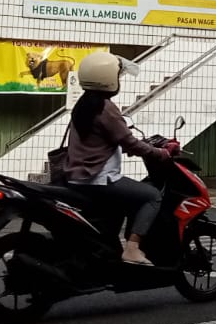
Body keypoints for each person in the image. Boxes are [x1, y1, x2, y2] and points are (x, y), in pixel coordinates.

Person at [64, 52, 176, 264]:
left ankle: (108, 250)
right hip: (99, 179)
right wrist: (161, 153)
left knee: (123, 204)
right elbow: (128, 141)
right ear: (107, 79)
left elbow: (102, 141)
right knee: (152, 196)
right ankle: (132, 249)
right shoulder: (106, 108)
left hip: (77, 178)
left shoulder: (83, 105)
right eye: (117, 76)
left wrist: (131, 148)